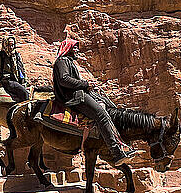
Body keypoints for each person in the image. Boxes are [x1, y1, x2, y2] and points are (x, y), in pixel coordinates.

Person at [53, 38, 136, 166]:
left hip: (78, 93)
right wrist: (85, 84)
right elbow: (64, 80)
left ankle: (122, 144)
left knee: (109, 106)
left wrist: (88, 86)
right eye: (74, 48)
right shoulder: (62, 61)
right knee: (101, 115)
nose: (77, 51)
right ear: (68, 49)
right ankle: (116, 152)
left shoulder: (68, 62)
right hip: (73, 97)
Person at [0, 36, 29, 102]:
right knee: (24, 93)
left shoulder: (16, 55)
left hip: (18, 80)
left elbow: (21, 69)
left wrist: (24, 80)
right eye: (9, 45)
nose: (11, 47)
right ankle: (25, 111)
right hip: (8, 81)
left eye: (12, 45)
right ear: (5, 45)